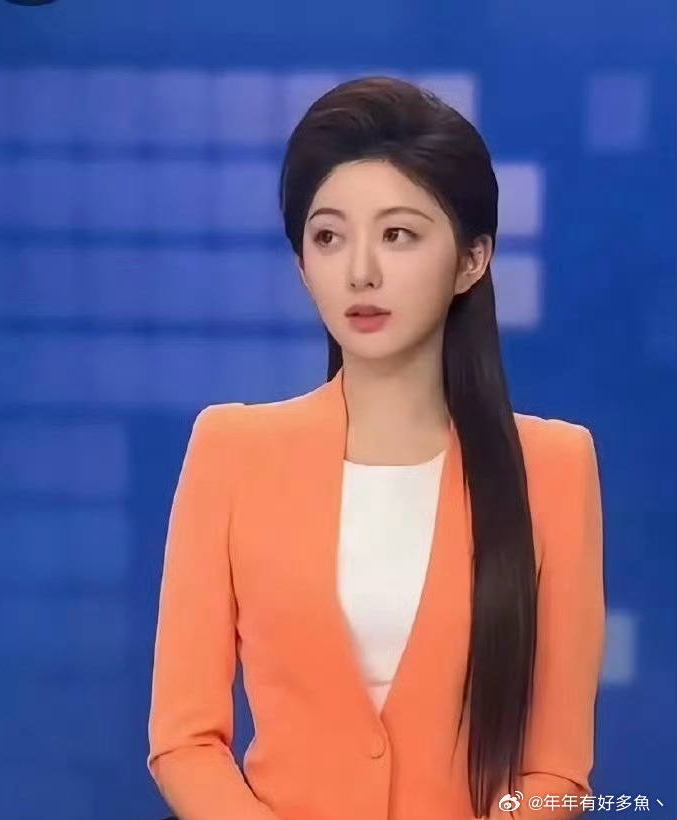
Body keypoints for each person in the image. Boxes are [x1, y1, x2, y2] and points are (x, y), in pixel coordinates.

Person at [147, 76, 605, 820]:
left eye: (398, 235)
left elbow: (555, 769)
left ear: (472, 259)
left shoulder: (554, 468)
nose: (360, 271)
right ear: (303, 263)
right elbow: (185, 739)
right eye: (328, 237)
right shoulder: (231, 452)